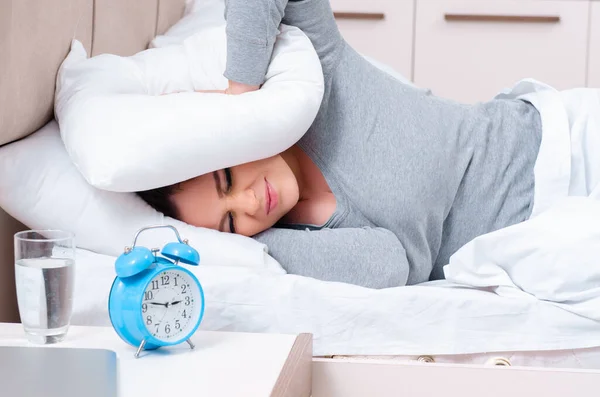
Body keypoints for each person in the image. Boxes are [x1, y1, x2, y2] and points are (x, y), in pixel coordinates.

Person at [138, 0, 547, 289]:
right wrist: (231, 243)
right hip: (540, 237)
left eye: (226, 178)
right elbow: (387, 265)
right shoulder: (296, 241)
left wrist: (243, 107)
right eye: (229, 222)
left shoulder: (320, 78)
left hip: (551, 150)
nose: (248, 205)